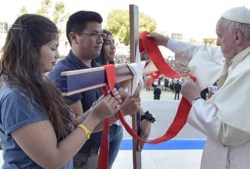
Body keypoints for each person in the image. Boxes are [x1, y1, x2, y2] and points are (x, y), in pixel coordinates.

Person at [147, 6, 250, 169]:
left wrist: (195, 99)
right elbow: (204, 53)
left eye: (220, 36)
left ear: (236, 36)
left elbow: (226, 131)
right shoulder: (249, 53)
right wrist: (166, 42)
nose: (218, 42)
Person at [0, 14, 134, 169]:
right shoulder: (17, 98)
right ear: (30, 49)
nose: (57, 55)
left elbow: (67, 128)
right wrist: (95, 116)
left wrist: (94, 110)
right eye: (53, 48)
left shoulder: (38, 84)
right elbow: (53, 159)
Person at [47, 11, 142, 169]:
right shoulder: (65, 75)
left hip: (100, 147)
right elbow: (76, 131)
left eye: (101, 35)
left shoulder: (98, 68)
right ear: (74, 37)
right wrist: (121, 112)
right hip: (81, 156)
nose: (100, 40)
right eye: (93, 34)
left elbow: (123, 95)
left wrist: (143, 116)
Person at [93, 29, 153, 166]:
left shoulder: (113, 69)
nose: (113, 46)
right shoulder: (97, 71)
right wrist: (144, 116)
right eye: (107, 43)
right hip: (100, 131)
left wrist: (145, 117)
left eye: (113, 42)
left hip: (116, 128)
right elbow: (124, 94)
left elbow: (124, 90)